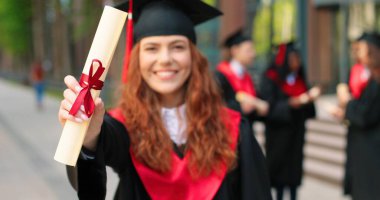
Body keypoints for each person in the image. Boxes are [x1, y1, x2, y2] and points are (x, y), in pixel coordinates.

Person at [58, 0, 272, 199]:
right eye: (152, 48)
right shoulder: (124, 126)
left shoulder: (232, 129)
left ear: (193, 56)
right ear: (137, 58)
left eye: (177, 46)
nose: (165, 59)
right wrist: (89, 135)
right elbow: (90, 188)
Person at [260, 42, 319, 200]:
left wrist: (309, 100)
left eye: (298, 59)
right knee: (279, 172)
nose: (296, 63)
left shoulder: (300, 79)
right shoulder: (271, 78)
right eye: (293, 59)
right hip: (278, 134)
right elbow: (268, 106)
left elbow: (310, 112)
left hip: (296, 133)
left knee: (293, 172)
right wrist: (291, 103)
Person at [333, 32, 380, 200]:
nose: (357, 53)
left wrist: (347, 102)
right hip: (363, 149)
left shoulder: (377, 81)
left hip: (372, 151)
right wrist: (345, 112)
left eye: (361, 49)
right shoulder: (369, 77)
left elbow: (365, 115)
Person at [214, 29, 268, 126]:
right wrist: (240, 108)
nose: (253, 54)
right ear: (235, 50)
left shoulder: (247, 77)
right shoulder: (220, 76)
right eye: (249, 50)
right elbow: (217, 106)